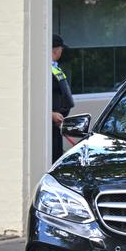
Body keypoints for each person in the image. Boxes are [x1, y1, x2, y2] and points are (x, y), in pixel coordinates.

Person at [50, 34, 75, 162]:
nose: (62, 51)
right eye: (61, 49)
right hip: (49, 126)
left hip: (57, 125)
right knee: (51, 158)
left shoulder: (54, 67)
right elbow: (36, 100)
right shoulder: (43, 70)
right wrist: (50, 114)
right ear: (56, 50)